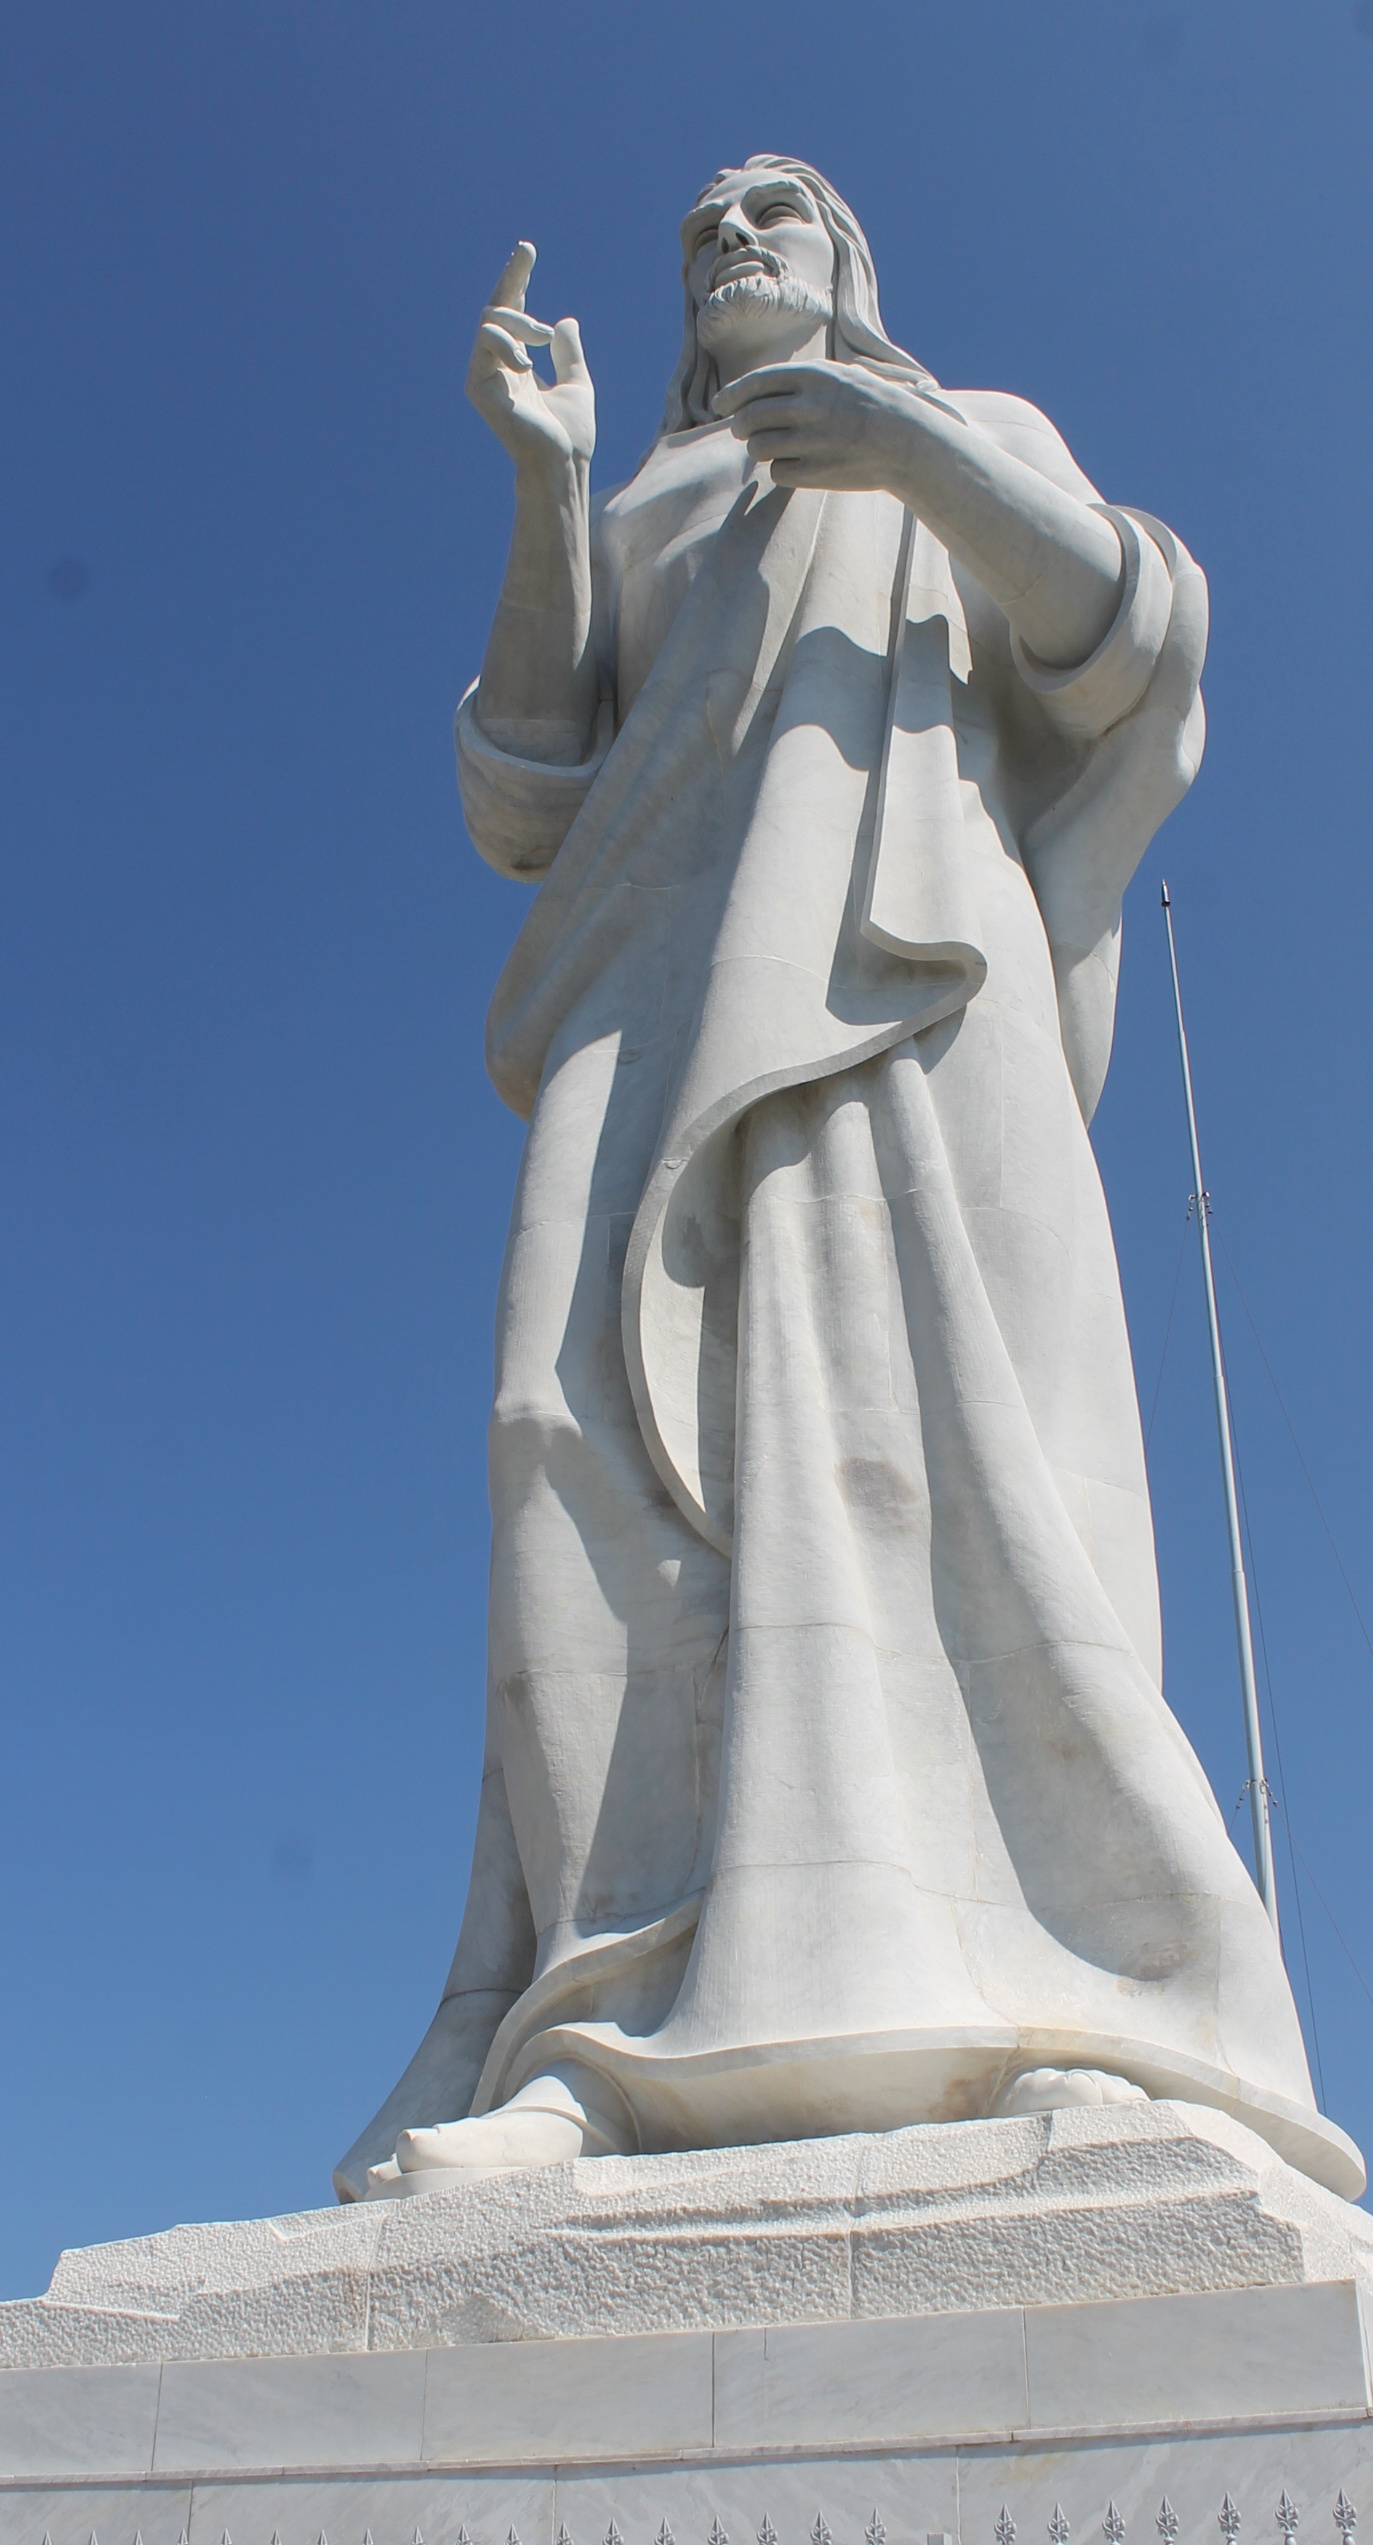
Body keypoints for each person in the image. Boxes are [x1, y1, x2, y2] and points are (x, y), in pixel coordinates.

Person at [336, 157, 1361, 2205]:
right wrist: (548, 484)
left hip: (901, 978)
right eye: (702, 226)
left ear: (848, 262)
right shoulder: (645, 504)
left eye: (773, 213)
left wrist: (907, 453)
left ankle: (1084, 2002)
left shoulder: (964, 432)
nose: (730, 237)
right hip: (642, 998)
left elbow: (1128, 635)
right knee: (563, 1446)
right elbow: (529, 791)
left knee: (942, 1462)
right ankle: (602, 2027)